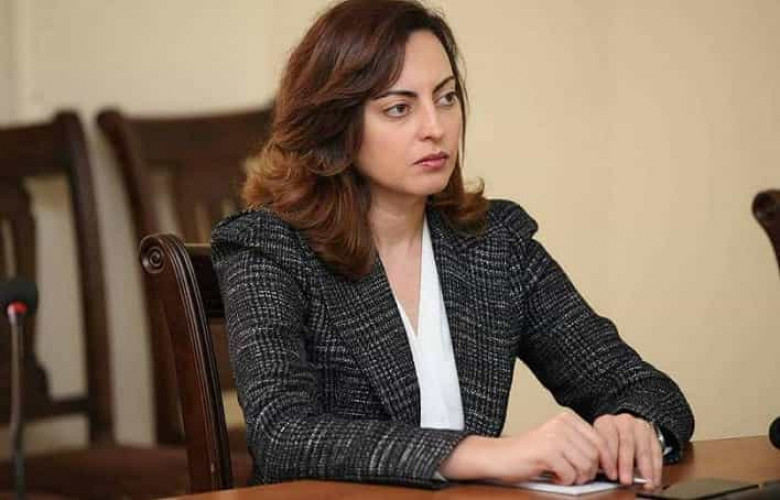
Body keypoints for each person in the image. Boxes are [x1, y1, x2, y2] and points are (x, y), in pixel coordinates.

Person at [212, 0, 694, 490]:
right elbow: (283, 435)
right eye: (399, 108)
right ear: (334, 126)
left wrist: (635, 424)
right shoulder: (267, 247)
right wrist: (484, 454)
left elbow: (643, 387)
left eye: (445, 98)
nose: (436, 127)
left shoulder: (496, 243)